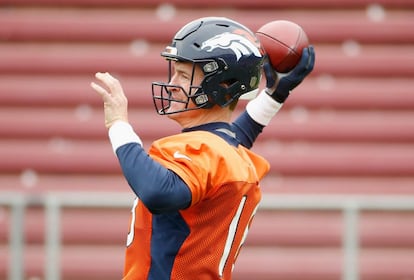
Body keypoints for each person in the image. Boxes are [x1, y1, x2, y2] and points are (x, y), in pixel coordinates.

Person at [91, 16, 314, 280]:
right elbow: (233, 137)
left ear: (221, 86)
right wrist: (274, 96)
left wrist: (118, 124)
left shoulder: (205, 150)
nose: (173, 84)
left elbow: (159, 192)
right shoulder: (225, 151)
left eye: (184, 75)